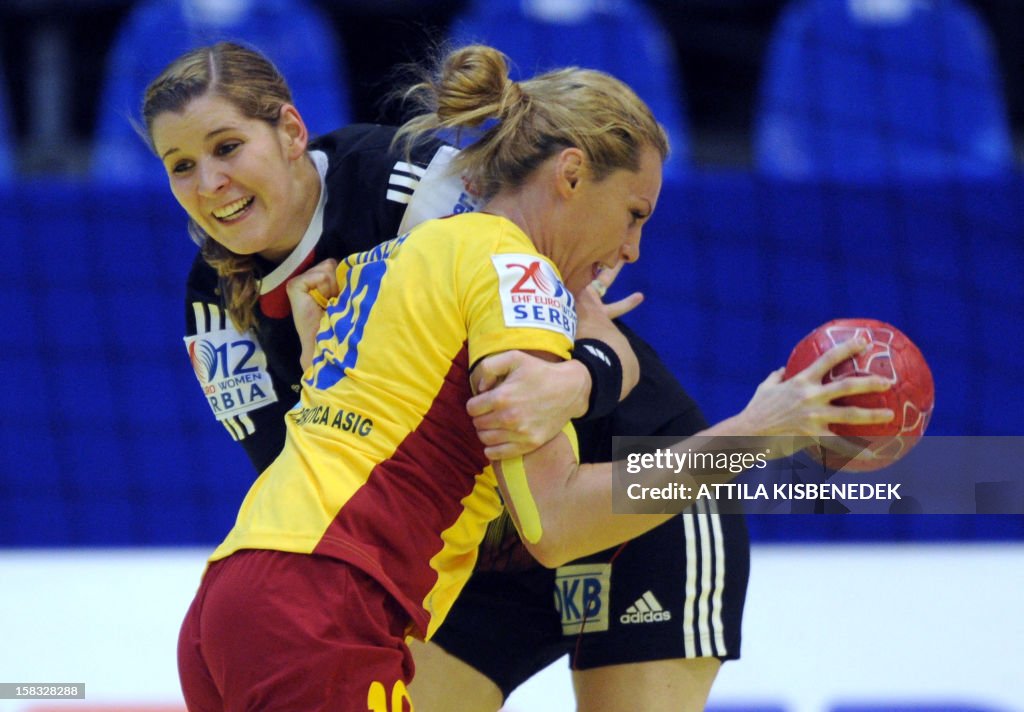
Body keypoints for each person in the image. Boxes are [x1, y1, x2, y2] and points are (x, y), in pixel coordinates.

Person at [146, 43, 892, 711]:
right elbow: (324, 471)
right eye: (182, 165)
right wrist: (758, 435)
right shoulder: (235, 302)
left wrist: (586, 379)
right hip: (452, 541)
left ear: (291, 131)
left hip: (625, 497)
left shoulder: (417, 203)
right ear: (570, 173)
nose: (211, 182)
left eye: (227, 148)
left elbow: (596, 348)